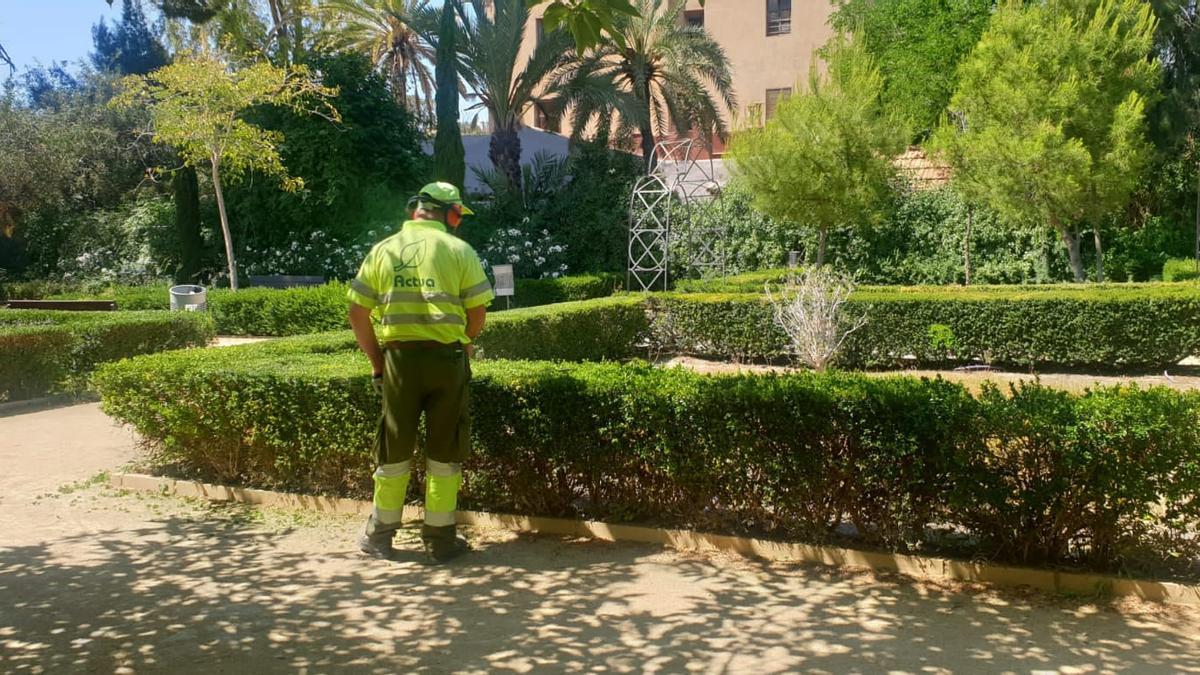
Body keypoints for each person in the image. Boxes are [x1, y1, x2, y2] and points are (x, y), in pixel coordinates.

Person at [347, 182, 494, 563]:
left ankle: (379, 534)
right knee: (445, 451)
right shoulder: (460, 251)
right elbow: (478, 313)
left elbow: (357, 312)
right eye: (458, 214)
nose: (458, 222)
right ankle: (440, 540)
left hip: (399, 364)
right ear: (446, 212)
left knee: (393, 450)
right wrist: (463, 340)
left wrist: (378, 364)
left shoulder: (385, 249)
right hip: (447, 363)